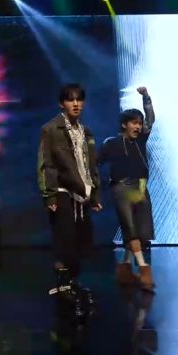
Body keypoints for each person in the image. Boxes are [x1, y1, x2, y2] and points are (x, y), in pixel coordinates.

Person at [37, 83, 102, 306]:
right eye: (70, 99)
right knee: (64, 240)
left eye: (79, 99)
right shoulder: (51, 129)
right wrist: (49, 195)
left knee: (80, 242)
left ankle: (72, 283)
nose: (76, 104)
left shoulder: (85, 131)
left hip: (83, 192)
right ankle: (63, 285)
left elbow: (90, 165)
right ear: (61, 104)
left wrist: (95, 194)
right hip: (62, 191)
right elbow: (46, 164)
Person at [98, 86, 156, 290]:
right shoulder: (111, 143)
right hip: (122, 188)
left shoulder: (140, 139)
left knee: (141, 230)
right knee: (130, 228)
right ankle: (144, 270)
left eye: (139, 123)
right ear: (124, 124)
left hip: (140, 187)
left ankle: (124, 269)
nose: (138, 127)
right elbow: (95, 163)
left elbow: (151, 120)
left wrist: (146, 97)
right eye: (134, 123)